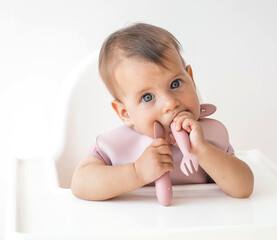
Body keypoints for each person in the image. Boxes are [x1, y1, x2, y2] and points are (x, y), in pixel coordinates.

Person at [71, 23, 254, 201]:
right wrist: (137, 172)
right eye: (148, 97)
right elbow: (80, 184)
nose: (170, 103)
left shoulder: (208, 137)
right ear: (125, 113)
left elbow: (244, 187)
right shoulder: (116, 146)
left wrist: (202, 151)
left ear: (190, 78)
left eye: (175, 84)